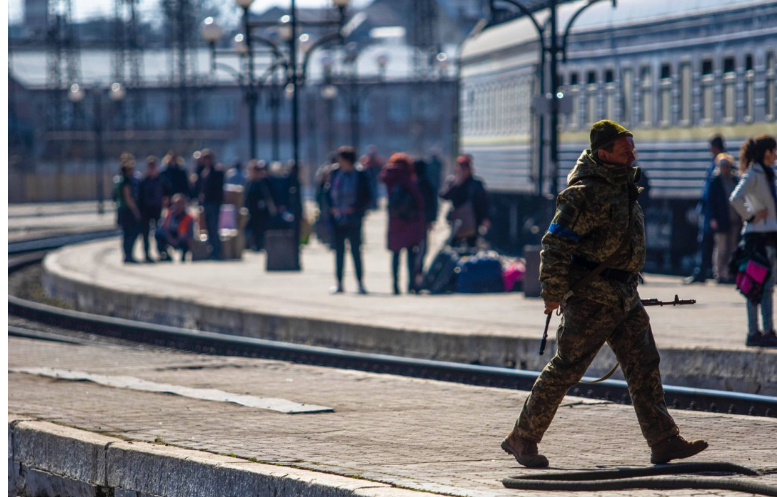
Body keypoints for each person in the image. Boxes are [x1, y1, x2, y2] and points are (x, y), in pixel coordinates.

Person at [502, 120, 707, 468]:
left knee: (644, 364)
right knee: (566, 369)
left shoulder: (625, 188)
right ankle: (523, 437)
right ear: (604, 153)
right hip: (591, 299)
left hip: (624, 296)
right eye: (625, 149)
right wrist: (552, 291)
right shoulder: (582, 193)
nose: (632, 154)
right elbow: (554, 244)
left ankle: (663, 441)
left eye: (632, 148)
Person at [729, 135, 777, 348]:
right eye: (774, 151)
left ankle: (767, 330)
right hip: (758, 237)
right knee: (755, 287)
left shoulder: (769, 174)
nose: (776, 155)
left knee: (767, 287)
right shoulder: (755, 174)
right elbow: (735, 197)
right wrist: (750, 215)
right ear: (767, 153)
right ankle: (754, 331)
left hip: (770, 236)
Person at [325, 146, 372, 294]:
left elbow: (367, 194)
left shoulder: (360, 174)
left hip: (353, 218)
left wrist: (357, 209)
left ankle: (360, 282)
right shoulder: (334, 173)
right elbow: (326, 191)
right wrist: (331, 207)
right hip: (337, 218)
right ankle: (339, 283)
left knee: (355, 251)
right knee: (339, 252)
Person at [381, 153, 426, 295]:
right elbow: (419, 200)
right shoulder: (407, 178)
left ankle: (395, 286)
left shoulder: (389, 178)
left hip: (395, 221)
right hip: (409, 222)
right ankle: (411, 284)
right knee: (411, 256)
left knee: (395, 256)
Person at [685, 135, 726, 284]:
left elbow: (714, 193)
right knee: (708, 242)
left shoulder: (719, 164)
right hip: (709, 210)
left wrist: (712, 214)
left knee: (709, 243)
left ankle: (703, 272)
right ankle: (702, 271)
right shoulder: (717, 163)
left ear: (714, 147)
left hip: (712, 212)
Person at [439, 155, 490, 248]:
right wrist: (456, 184)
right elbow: (444, 196)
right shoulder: (452, 181)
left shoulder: (476, 184)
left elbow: (483, 203)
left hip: (473, 222)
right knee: (453, 247)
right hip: (456, 223)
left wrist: (485, 218)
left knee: (471, 247)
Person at [707, 153, 741, 283]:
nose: (725, 169)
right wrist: (712, 218)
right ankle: (720, 273)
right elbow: (710, 202)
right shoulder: (715, 182)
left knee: (733, 248)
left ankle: (729, 272)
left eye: (727, 166)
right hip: (720, 219)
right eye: (722, 166)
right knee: (721, 248)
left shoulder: (735, 180)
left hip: (734, 219)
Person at [138, 156, 169, 263]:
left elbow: (168, 193)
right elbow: (140, 197)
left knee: (159, 232)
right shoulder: (144, 181)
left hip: (157, 209)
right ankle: (147, 254)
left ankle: (162, 252)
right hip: (146, 210)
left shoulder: (161, 179)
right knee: (146, 234)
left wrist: (166, 201)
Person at [413, 158, 439, 283]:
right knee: (422, 251)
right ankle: (418, 275)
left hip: (413, 223)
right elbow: (433, 204)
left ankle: (414, 276)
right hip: (423, 223)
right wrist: (431, 220)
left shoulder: (412, 184)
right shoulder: (427, 184)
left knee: (415, 251)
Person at [113, 153, 141, 264]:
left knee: (126, 233)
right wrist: (136, 212)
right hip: (128, 211)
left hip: (121, 210)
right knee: (131, 233)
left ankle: (127, 254)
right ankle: (128, 254)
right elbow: (128, 197)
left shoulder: (118, 179)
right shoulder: (126, 181)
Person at [197, 149, 224, 260]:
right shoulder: (203, 171)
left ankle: (217, 251)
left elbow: (218, 189)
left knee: (214, 227)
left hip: (214, 203)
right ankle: (211, 249)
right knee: (207, 228)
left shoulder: (216, 171)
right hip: (206, 203)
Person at [244, 161, 275, 252]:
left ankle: (262, 245)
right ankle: (255, 245)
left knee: (262, 228)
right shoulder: (250, 183)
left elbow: (269, 195)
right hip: (252, 210)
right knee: (253, 229)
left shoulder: (263, 182)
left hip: (262, 211)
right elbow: (247, 196)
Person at [156, 194, 194, 262]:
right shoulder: (168, 214)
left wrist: (179, 239)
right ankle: (165, 255)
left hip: (182, 238)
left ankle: (184, 256)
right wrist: (170, 238)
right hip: (170, 236)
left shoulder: (188, 217)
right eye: (176, 204)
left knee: (188, 241)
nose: (178, 206)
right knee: (158, 234)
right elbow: (163, 228)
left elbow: (190, 233)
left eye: (180, 204)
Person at [362, 145, 384, 210]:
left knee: (375, 192)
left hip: (375, 178)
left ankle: (374, 204)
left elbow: (380, 167)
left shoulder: (377, 159)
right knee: (371, 191)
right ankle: (371, 204)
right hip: (368, 179)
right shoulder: (366, 159)